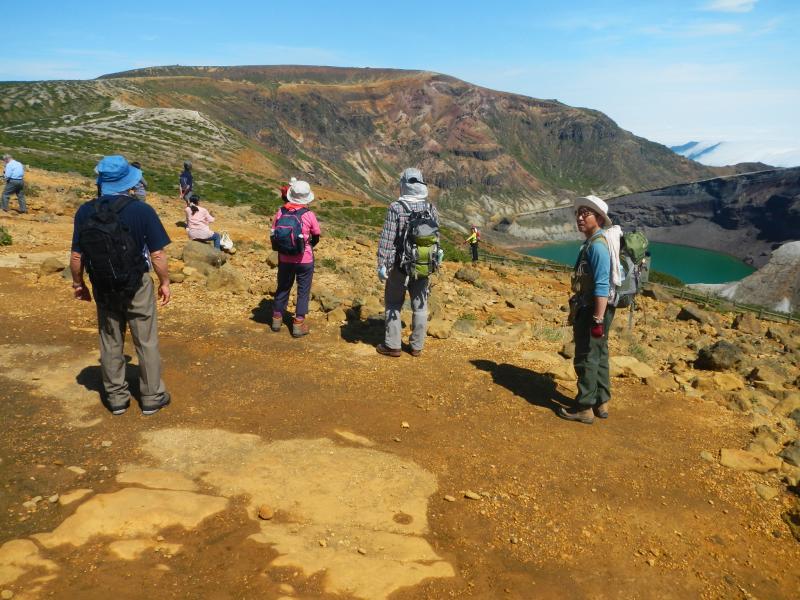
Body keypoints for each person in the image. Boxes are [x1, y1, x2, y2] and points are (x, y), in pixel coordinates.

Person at [70, 155, 172, 416]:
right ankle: (152, 396)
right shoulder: (141, 210)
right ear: (129, 182)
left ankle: (116, 398)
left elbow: (76, 257)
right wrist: (165, 282)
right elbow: (158, 255)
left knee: (110, 339)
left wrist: (78, 284)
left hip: (103, 285)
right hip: (136, 283)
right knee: (145, 340)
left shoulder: (85, 211)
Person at [559, 195, 616, 425]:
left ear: (600, 219)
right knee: (600, 354)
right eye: (579, 213)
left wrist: (597, 318)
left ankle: (584, 407)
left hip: (593, 309)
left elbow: (602, 285)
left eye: (586, 213)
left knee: (586, 356)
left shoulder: (598, 246)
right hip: (597, 308)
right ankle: (601, 401)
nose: (580, 217)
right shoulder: (594, 242)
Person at [376, 168, 439, 357]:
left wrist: (382, 264)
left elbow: (387, 239)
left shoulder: (396, 208)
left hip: (399, 264)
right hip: (423, 264)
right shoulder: (430, 208)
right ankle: (417, 346)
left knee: (394, 302)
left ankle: (393, 345)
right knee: (420, 305)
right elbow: (436, 237)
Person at [270, 179, 321, 337]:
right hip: (304, 258)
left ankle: (276, 320)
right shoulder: (308, 214)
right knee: (303, 290)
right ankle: (298, 324)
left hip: (284, 258)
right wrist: (309, 244)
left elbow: (274, 232)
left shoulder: (281, 212)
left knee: (283, 287)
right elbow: (317, 235)